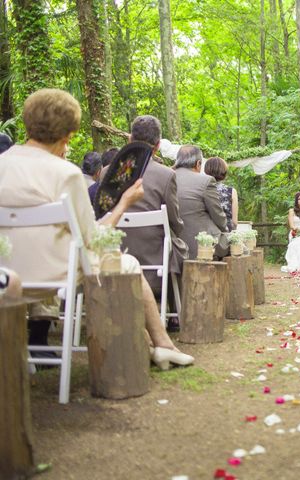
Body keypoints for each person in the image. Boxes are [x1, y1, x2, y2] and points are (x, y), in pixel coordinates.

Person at [0, 89, 192, 369]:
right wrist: (124, 202)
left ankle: (158, 346)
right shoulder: (65, 174)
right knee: (127, 262)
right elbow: (94, 240)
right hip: (57, 275)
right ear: (68, 134)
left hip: (8, 273)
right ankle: (162, 345)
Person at [117, 115, 188, 294]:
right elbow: (175, 222)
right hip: (154, 264)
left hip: (116, 261)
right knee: (179, 246)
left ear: (130, 139)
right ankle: (174, 312)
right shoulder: (166, 175)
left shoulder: (106, 173)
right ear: (157, 146)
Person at [174, 146, 229, 259]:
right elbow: (218, 215)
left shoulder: (166, 177)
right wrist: (225, 231)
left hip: (172, 245)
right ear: (198, 163)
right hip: (201, 245)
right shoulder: (205, 181)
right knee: (236, 243)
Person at [204, 156, 238, 232]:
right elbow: (234, 222)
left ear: (206, 171)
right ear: (224, 172)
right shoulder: (231, 191)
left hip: (206, 236)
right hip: (226, 234)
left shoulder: (201, 189)